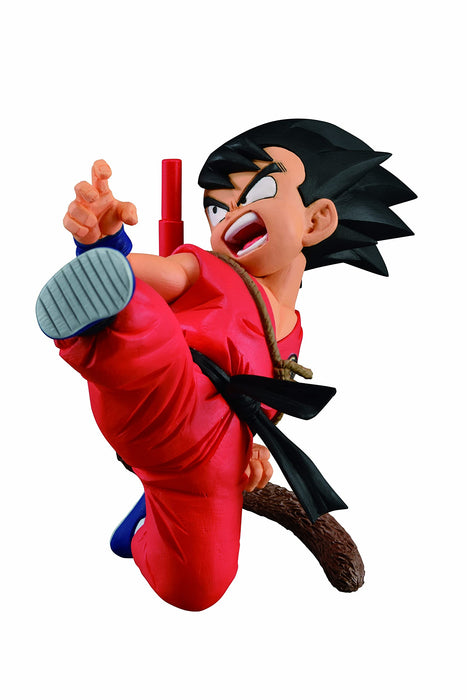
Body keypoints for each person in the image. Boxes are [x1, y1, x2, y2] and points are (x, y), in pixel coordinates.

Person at [36, 119, 415, 611]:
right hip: (163, 394)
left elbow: (256, 406)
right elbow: (153, 272)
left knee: (201, 583)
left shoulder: (292, 339)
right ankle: (100, 323)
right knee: (149, 330)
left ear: (317, 220)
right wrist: (106, 247)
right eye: (216, 209)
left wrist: (248, 452)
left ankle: (147, 533)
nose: (229, 216)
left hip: (207, 457)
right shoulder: (207, 268)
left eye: (257, 193)